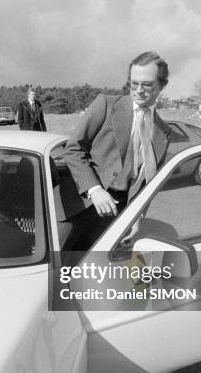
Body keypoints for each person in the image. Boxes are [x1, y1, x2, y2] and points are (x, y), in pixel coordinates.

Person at [59, 50, 172, 251]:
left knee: (93, 265)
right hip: (79, 204)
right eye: (134, 83)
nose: (138, 90)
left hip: (117, 210)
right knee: (55, 268)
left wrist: (137, 216)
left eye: (147, 85)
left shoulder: (163, 133)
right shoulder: (105, 104)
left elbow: (149, 183)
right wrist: (94, 190)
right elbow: (73, 149)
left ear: (161, 86)